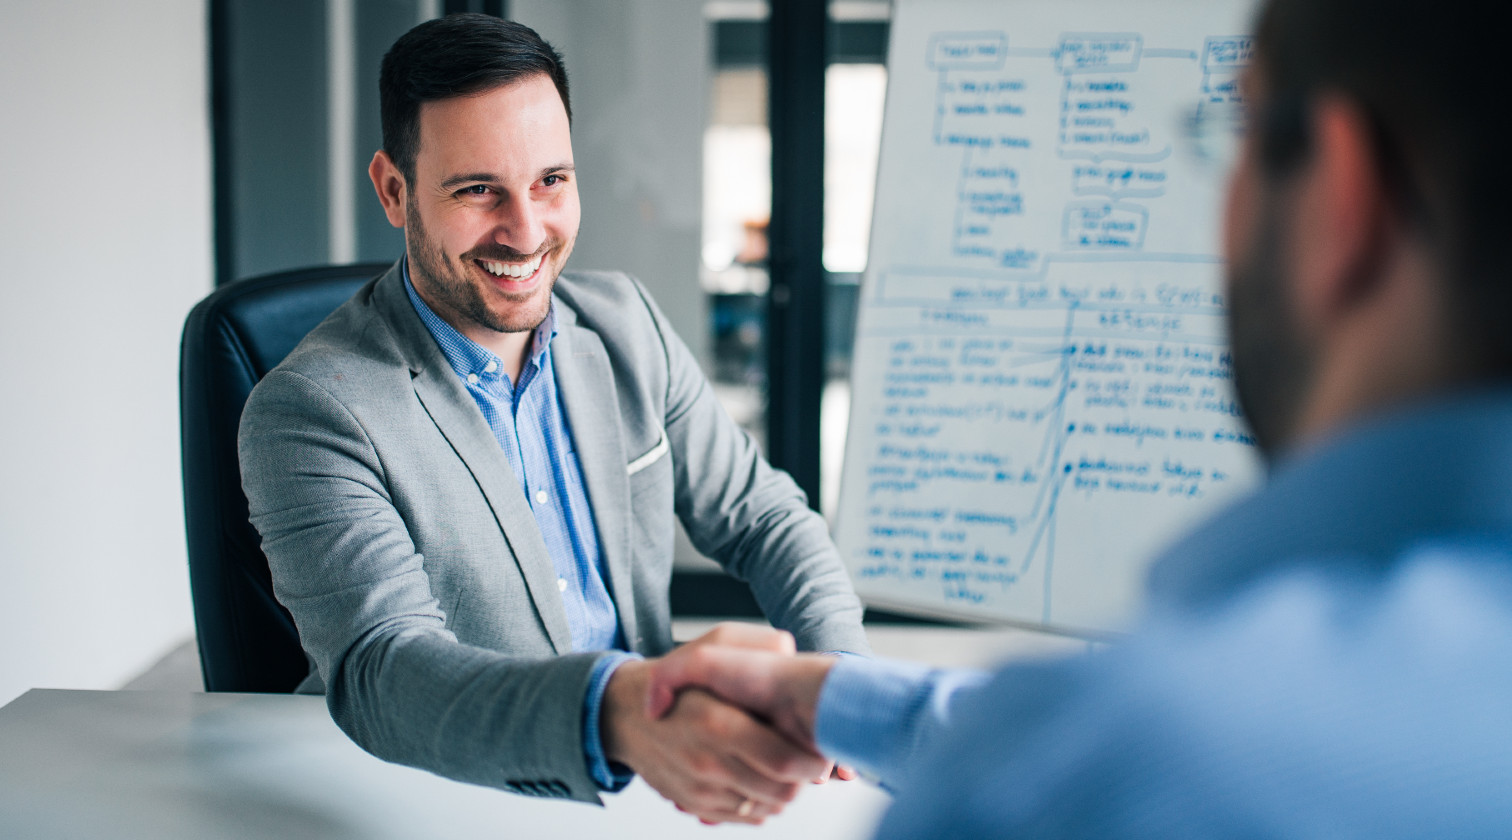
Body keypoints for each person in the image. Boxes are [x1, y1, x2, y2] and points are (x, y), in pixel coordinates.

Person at [645, 0, 1512, 834]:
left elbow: (1088, 765)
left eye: (1236, 135)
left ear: (1338, 196)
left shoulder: (1119, 772)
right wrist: (840, 698)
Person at [236, 13, 868, 824]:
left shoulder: (625, 323)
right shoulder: (312, 409)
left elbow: (762, 517)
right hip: (439, 793)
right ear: (395, 191)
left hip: (647, 784)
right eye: (477, 190)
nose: (527, 231)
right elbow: (383, 669)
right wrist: (617, 711)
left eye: (550, 181)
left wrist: (841, 670)